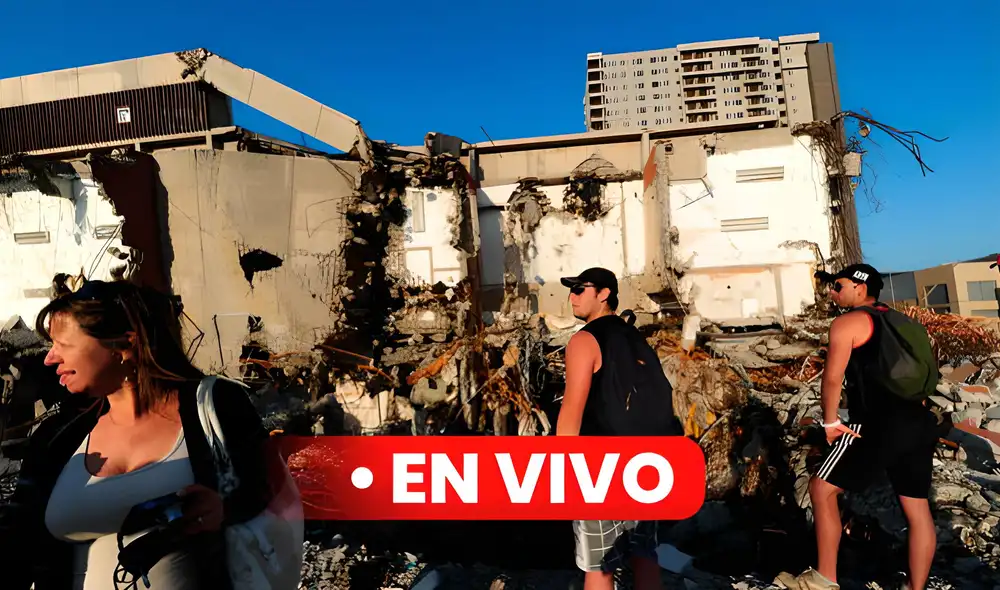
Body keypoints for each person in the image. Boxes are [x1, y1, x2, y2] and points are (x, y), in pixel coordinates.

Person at [0, 278, 274, 590]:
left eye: (63, 345)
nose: (50, 358)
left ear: (124, 345)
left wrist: (225, 509)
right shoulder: (56, 438)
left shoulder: (213, 407)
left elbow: (271, 497)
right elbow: (18, 548)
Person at [776, 264, 939, 590]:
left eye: (838, 286)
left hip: (878, 422)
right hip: (919, 421)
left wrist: (831, 421)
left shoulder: (847, 323)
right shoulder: (904, 322)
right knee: (917, 508)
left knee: (822, 489)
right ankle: (915, 587)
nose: (832, 292)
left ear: (860, 288)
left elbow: (832, 378)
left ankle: (823, 579)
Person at [555, 267, 667, 590]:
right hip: (645, 463)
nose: (572, 297)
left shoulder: (584, 340)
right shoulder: (636, 338)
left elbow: (571, 411)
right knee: (644, 554)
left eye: (580, 289)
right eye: (571, 290)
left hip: (599, 466)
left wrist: (560, 469)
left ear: (604, 294)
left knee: (599, 565)